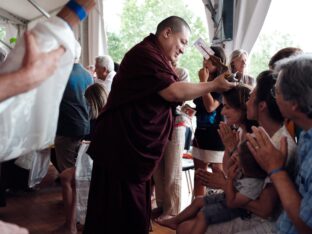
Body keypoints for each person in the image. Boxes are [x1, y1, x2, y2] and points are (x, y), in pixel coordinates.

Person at [83, 16, 235, 234]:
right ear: (167, 33)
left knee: (128, 211)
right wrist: (212, 84)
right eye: (182, 41)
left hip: (129, 150)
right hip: (120, 148)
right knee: (118, 213)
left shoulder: (155, 56)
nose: (183, 49)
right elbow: (172, 92)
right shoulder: (144, 55)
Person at [196, 70, 297, 233]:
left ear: (262, 106)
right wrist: (230, 149)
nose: (247, 102)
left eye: (251, 97)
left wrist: (224, 184)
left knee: (191, 225)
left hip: (269, 222)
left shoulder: (279, 144)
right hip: (249, 209)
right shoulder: (261, 134)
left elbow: (265, 209)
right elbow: (235, 174)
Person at [247, 53, 312, 234]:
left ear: (294, 104)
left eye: (277, 92)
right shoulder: (307, 136)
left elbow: (307, 226)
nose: (274, 99)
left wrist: (276, 169)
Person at [157, 141, 266, 234]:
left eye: (238, 155)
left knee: (203, 215)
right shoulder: (245, 172)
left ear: (246, 165)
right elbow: (230, 181)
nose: (235, 155)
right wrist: (223, 175)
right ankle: (175, 221)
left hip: (237, 208)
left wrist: (228, 181)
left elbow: (231, 202)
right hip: (228, 197)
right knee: (198, 200)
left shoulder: (253, 184)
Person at [59, 83, 108, 234]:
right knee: (69, 179)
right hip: (97, 161)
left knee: (66, 178)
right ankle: (72, 223)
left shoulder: (101, 119)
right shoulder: (103, 116)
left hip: (99, 164)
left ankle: (71, 225)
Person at [153, 63, 191, 220]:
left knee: (172, 169)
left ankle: (172, 211)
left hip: (176, 123)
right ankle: (161, 205)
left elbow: (183, 97)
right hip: (158, 122)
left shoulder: (181, 72)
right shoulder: (156, 71)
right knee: (157, 168)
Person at [191, 46, 226, 197]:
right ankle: (196, 209)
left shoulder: (221, 83)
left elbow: (211, 107)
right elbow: (202, 107)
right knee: (199, 176)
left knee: (218, 173)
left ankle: (224, 207)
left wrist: (203, 82)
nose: (205, 62)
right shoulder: (203, 83)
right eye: (204, 58)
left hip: (216, 137)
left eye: (209, 59)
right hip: (200, 135)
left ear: (218, 62)